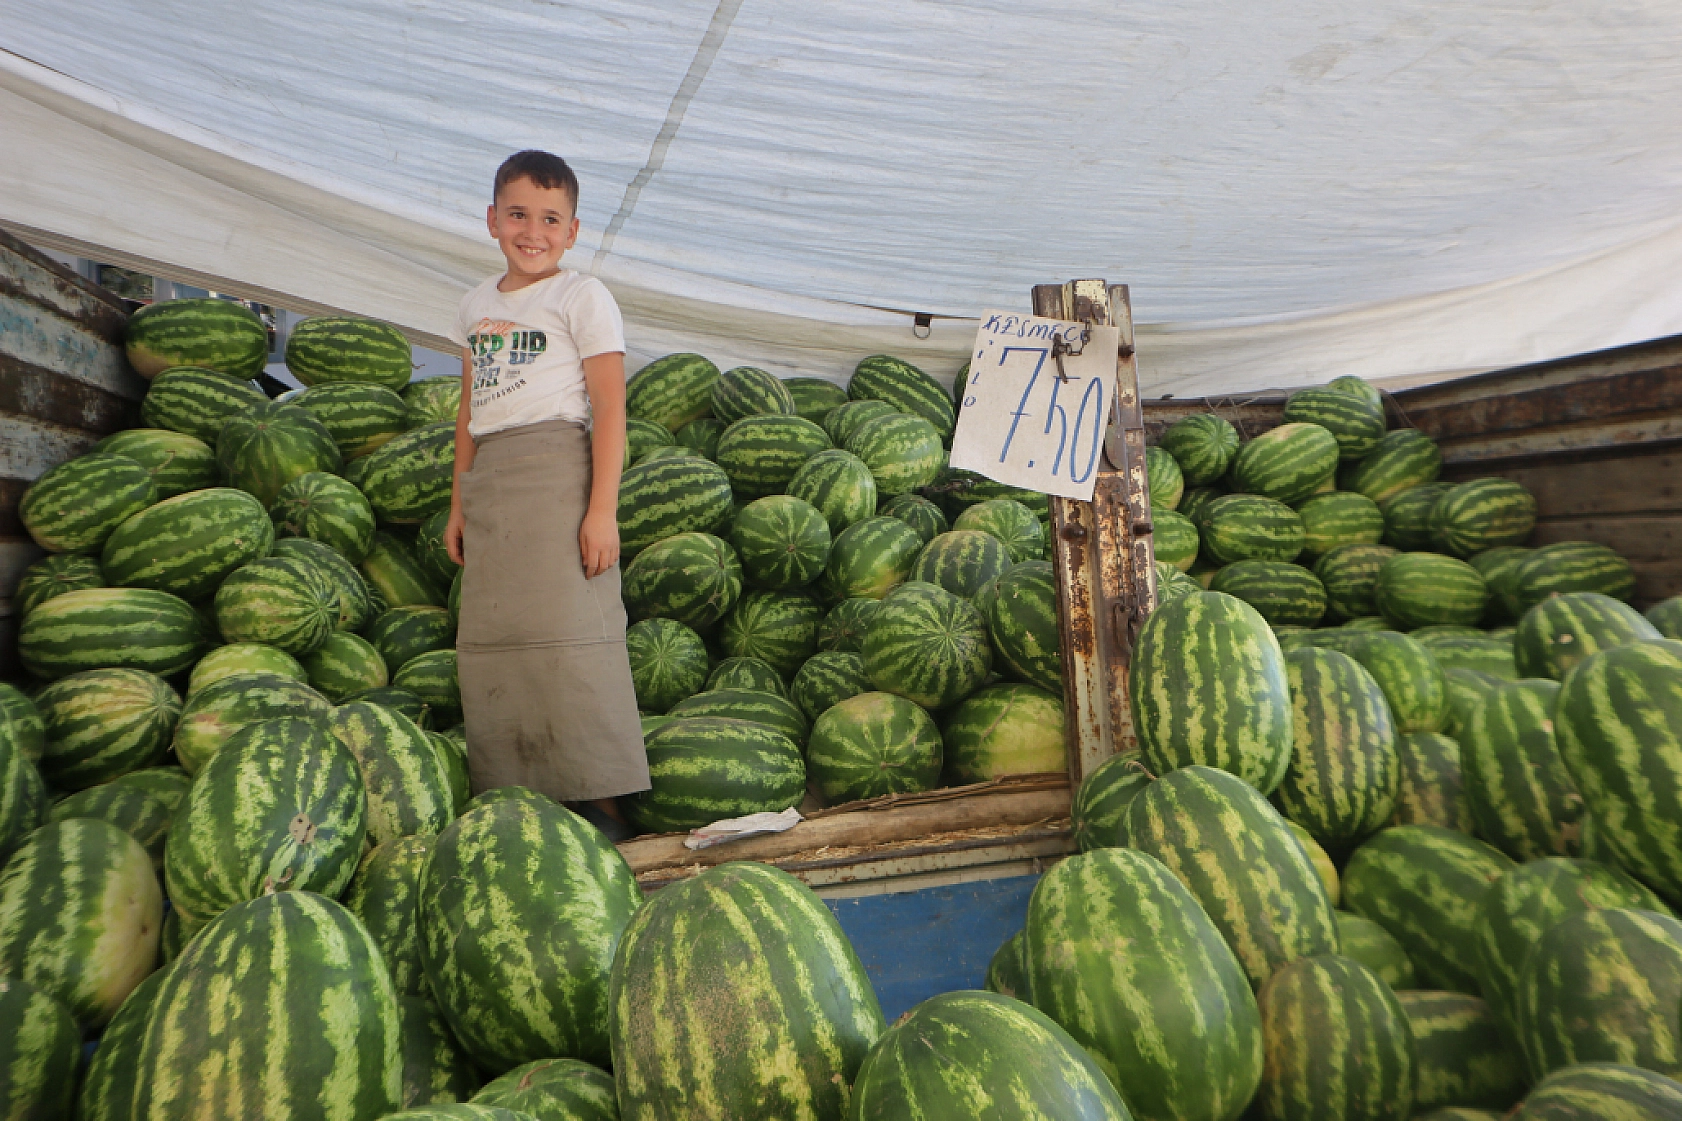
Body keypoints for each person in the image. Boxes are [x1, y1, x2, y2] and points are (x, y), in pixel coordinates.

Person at [443, 149, 648, 841]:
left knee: (579, 641)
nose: (533, 230)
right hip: (494, 485)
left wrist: (601, 509)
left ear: (573, 229)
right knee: (500, 644)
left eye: (550, 218)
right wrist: (457, 503)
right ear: (492, 218)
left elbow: (611, 409)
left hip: (562, 473)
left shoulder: (582, 297)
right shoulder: (474, 305)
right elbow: (470, 412)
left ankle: (608, 806)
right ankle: (523, 804)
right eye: (519, 214)